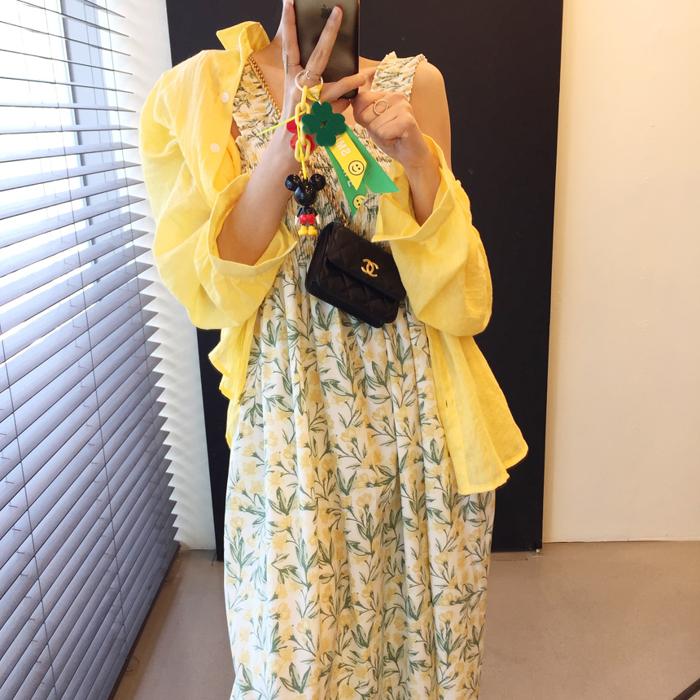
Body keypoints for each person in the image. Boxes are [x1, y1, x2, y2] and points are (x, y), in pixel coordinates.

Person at [140, 1, 528, 697]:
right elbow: (209, 289)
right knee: (293, 660)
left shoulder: (416, 86)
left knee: (415, 658)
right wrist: (289, 134)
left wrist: (416, 158)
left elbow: (457, 294)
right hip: (292, 421)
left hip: (413, 417)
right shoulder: (198, 93)